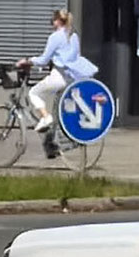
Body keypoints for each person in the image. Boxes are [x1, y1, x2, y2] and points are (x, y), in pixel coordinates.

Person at [20, 9, 99, 159]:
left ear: (57, 21)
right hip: (71, 78)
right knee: (57, 110)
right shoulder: (73, 35)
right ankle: (51, 143)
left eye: (53, 20)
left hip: (59, 76)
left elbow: (44, 59)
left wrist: (28, 61)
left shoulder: (55, 37)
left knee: (34, 93)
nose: (51, 22)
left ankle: (45, 117)